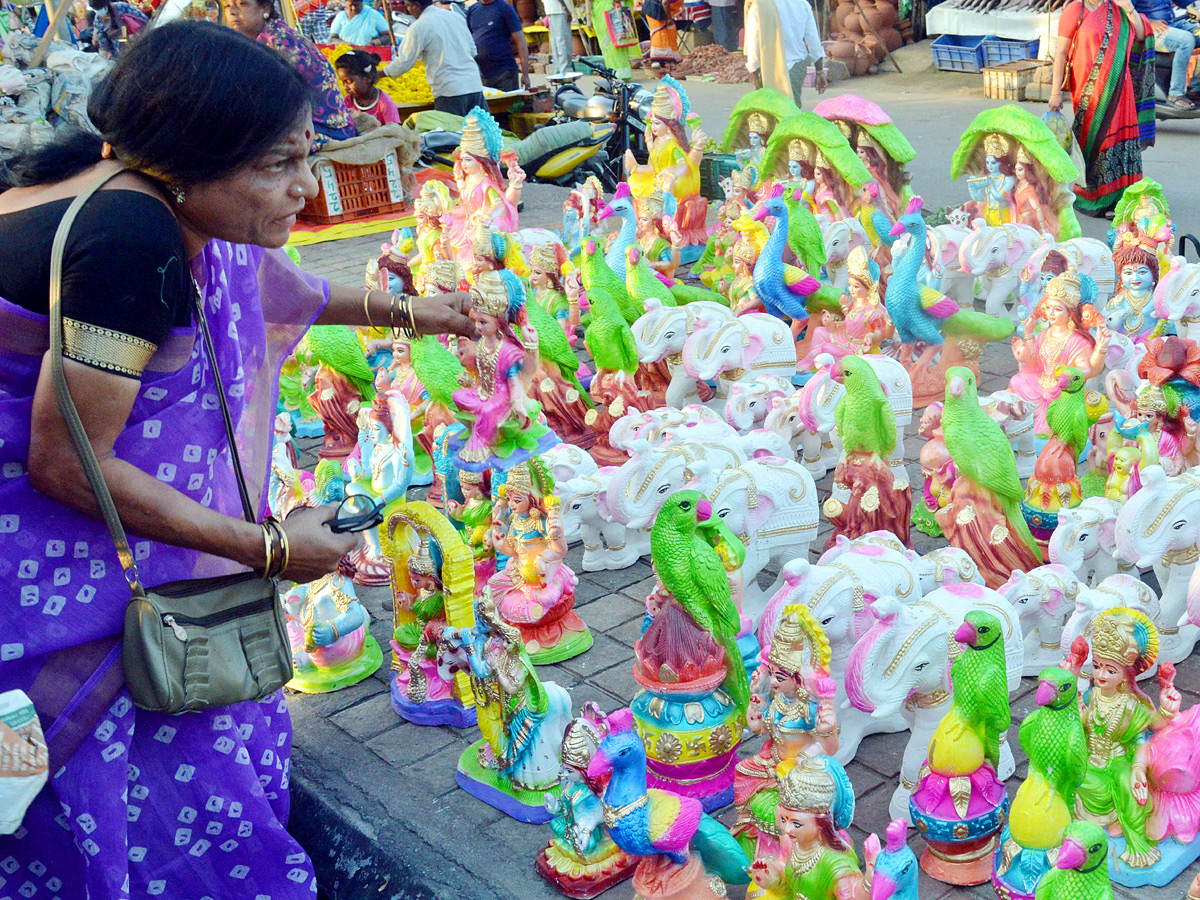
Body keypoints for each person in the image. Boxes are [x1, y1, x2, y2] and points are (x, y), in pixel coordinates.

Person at [0, 22, 472, 898]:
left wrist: (419, 315)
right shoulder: (129, 241)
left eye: (305, 156)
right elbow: (71, 468)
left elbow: (277, 290)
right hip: (55, 574)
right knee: (130, 782)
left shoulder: (146, 192)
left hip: (95, 545)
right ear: (190, 162)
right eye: (277, 166)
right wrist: (273, 553)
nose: (306, 186)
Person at [1050, 0, 1155, 218]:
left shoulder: (1118, 9)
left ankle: (1121, 198)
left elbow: (1142, 34)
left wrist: (1129, 8)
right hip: (1088, 90)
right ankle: (1094, 196)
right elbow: (1060, 53)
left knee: (1118, 139)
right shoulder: (1075, 10)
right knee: (1094, 139)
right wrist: (1055, 92)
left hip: (1119, 87)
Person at [224, 0, 357, 147]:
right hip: (307, 125)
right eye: (227, 6)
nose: (232, 12)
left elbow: (269, 105)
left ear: (265, 8)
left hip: (324, 131)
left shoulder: (276, 42)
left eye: (242, 4)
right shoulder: (266, 37)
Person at [385, 0, 487, 116]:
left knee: (452, 133)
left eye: (408, 5)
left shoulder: (419, 26)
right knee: (481, 131)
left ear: (417, 5)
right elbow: (473, 50)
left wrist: (382, 73)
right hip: (474, 85)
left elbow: (404, 62)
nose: (408, 10)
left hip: (449, 92)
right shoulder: (455, 17)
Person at [745, 0, 826, 106]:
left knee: (772, 112)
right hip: (797, 67)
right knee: (792, 110)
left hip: (770, 69)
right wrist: (819, 71)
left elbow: (754, 42)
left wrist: (755, 72)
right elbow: (813, 39)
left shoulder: (759, 6)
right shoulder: (802, 4)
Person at [1132, 0, 1197, 108]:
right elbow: (1124, 10)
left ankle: (1196, 88)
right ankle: (1176, 94)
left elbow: (1183, 2)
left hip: (1170, 23)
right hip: (1146, 29)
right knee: (1185, 40)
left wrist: (1192, 7)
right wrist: (1149, 22)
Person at [467, 0, 533, 91]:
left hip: (505, 73)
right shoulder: (472, 10)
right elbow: (468, 40)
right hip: (482, 74)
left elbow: (520, 41)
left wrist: (525, 74)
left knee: (509, 104)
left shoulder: (505, 8)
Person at [335, 49, 401, 126]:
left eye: (349, 82)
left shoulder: (385, 104)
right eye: (343, 82)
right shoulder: (347, 102)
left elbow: (396, 132)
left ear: (367, 78)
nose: (345, 87)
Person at [544, 0, 575, 76]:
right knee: (563, 41)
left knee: (556, 42)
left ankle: (558, 69)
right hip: (559, 10)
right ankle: (565, 70)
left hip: (552, 10)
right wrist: (565, 8)